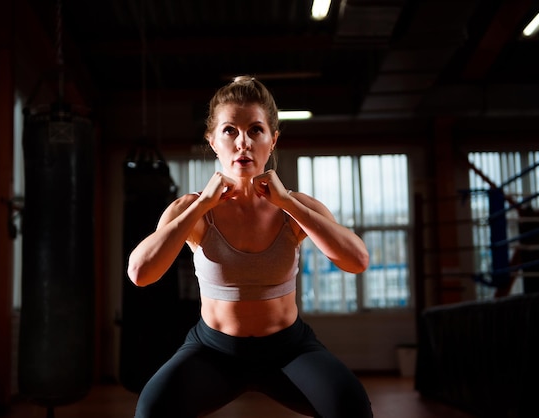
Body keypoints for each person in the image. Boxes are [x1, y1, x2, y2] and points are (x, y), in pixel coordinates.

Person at [127, 75, 373, 418]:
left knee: (352, 406)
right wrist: (202, 205)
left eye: (255, 130)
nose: (243, 142)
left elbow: (358, 260)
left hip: (288, 349)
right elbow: (140, 273)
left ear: (272, 140)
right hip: (214, 350)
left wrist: (287, 202)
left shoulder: (296, 208)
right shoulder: (191, 210)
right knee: (151, 409)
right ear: (213, 141)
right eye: (230, 130)